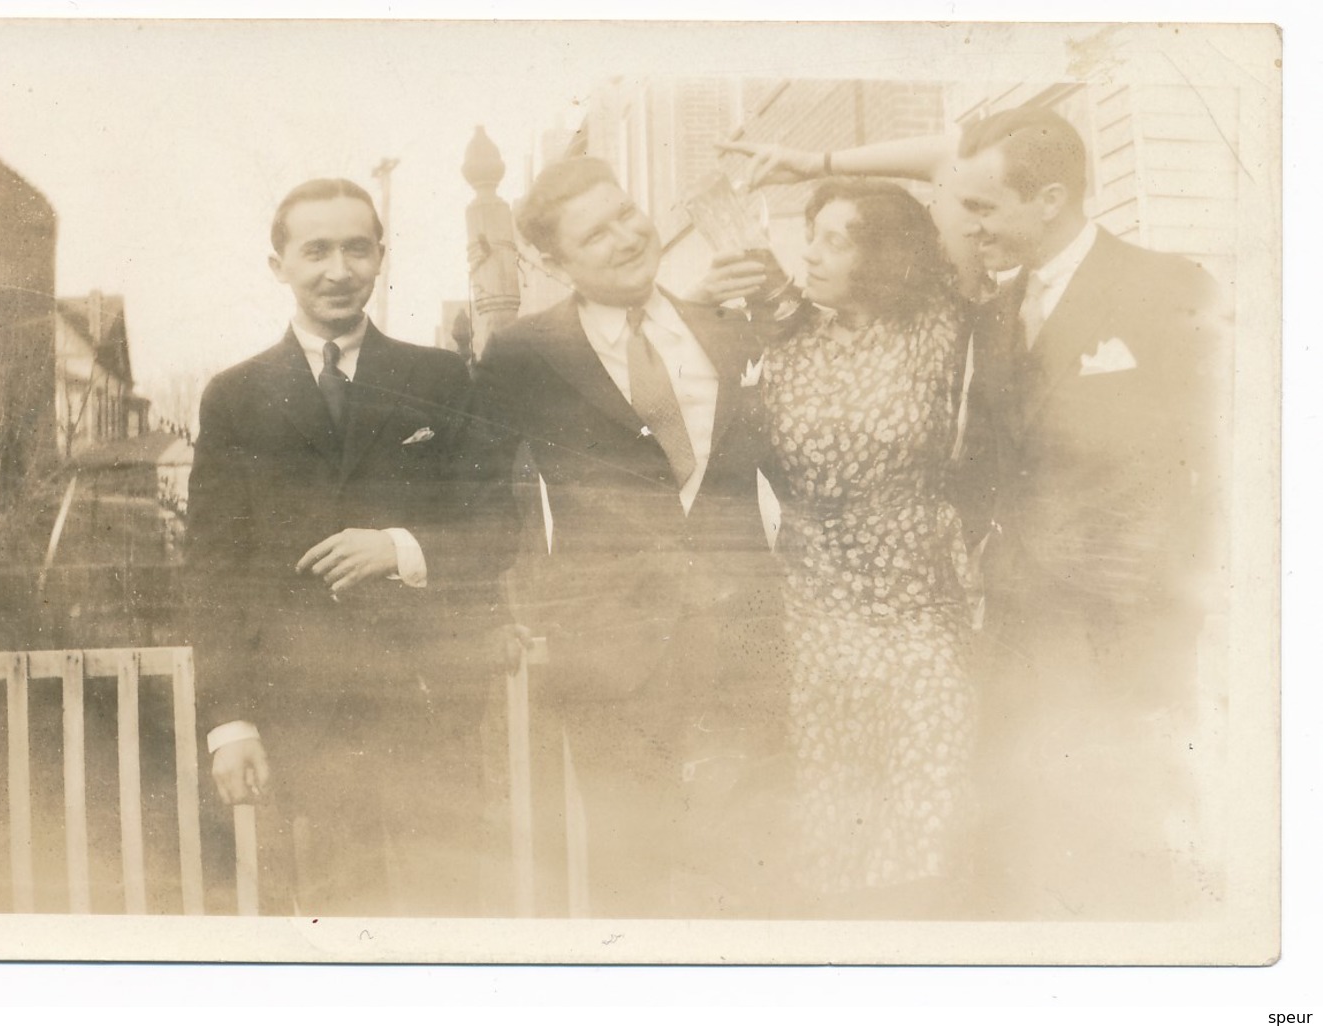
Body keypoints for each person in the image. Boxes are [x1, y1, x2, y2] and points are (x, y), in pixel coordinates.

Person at [726, 106, 1226, 917]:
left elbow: (1235, 469)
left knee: (1108, 848)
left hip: (1097, 627)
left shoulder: (1150, 290)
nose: (969, 221)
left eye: (984, 207)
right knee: (1000, 844)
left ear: (1051, 197)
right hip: (972, 624)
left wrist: (815, 155)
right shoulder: (987, 317)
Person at [455, 156, 771, 917]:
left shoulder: (725, 329)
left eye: (626, 213)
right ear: (553, 262)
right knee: (631, 885)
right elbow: (474, 495)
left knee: (761, 868)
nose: (626, 236)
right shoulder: (526, 354)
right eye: (595, 235)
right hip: (615, 660)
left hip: (750, 645)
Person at [186, 178, 491, 916]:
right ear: (278, 265)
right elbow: (213, 572)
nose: (338, 268)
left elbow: (496, 526)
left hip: (429, 712)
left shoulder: (439, 379)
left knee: (448, 918)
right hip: (306, 720)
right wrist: (229, 723)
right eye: (315, 250)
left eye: (357, 248)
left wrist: (399, 546)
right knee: (335, 927)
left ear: (380, 257)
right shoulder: (236, 395)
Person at [709, 178, 978, 917]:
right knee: (839, 829)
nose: (812, 252)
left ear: (886, 250)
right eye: (811, 234)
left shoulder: (939, 323)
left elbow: (956, 161)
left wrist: (818, 158)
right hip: (819, 615)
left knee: (928, 815)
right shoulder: (783, 343)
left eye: (838, 237)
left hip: (919, 607)